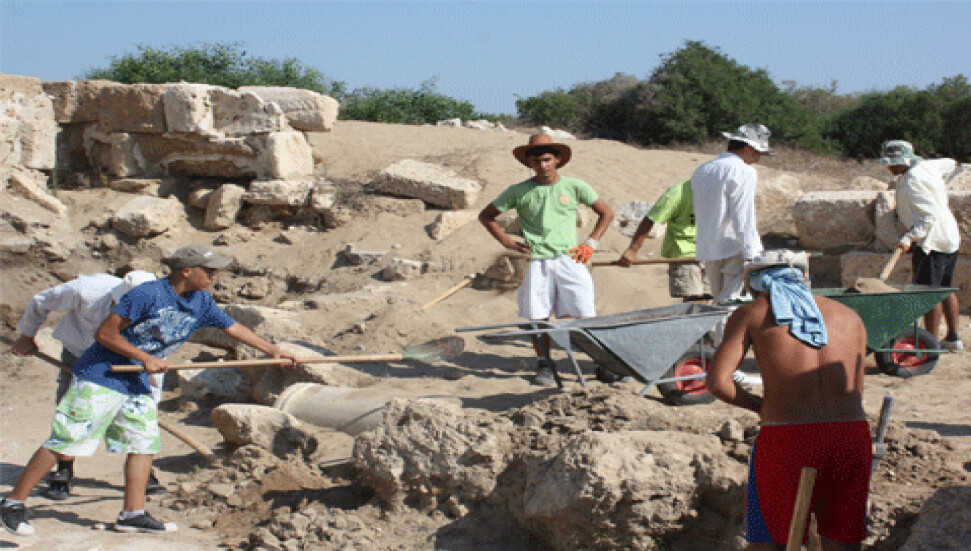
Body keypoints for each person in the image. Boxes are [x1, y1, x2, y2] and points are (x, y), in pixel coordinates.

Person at [1, 245, 298, 537]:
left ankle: (133, 513)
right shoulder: (146, 294)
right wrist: (145, 358)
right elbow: (104, 334)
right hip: (102, 375)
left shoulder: (201, 302)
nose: (213, 276)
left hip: (137, 381)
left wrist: (274, 350)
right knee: (68, 439)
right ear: (187, 270)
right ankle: (12, 502)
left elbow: (232, 328)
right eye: (208, 271)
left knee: (143, 443)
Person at [706, 250, 871, 551]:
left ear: (755, 285)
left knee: (770, 539)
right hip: (850, 435)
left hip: (788, 437)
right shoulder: (850, 316)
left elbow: (718, 383)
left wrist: (759, 406)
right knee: (844, 540)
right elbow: (856, 391)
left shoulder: (753, 312)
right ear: (806, 278)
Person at [12, 270, 164, 500]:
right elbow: (41, 301)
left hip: (128, 359)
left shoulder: (161, 311)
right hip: (80, 351)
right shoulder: (86, 289)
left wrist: (150, 399)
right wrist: (27, 335)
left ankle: (144, 475)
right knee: (72, 412)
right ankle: (63, 471)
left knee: (139, 417)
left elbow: (155, 358)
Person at [479, 133, 614, 385]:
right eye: (536, 160)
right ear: (529, 163)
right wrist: (506, 241)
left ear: (558, 160)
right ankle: (545, 365)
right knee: (537, 315)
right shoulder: (519, 191)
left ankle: (602, 364)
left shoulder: (575, 186)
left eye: (547, 159)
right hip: (535, 261)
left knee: (585, 312)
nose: (542, 165)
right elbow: (486, 216)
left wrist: (591, 243)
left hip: (570, 258)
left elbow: (606, 213)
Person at [878, 140, 963, 351]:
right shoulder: (927, 166)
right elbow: (950, 164)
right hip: (949, 236)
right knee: (945, 287)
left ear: (905, 160)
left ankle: (929, 344)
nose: (890, 168)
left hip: (931, 240)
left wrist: (909, 238)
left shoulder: (912, 181)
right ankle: (953, 338)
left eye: (893, 163)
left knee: (927, 293)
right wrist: (958, 164)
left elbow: (929, 217)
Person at [691, 123, 771, 344]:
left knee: (720, 304)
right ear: (748, 149)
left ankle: (717, 354)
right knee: (731, 307)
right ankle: (724, 360)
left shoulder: (704, 169)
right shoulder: (743, 171)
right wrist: (752, 253)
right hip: (734, 247)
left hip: (709, 246)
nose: (758, 158)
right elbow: (743, 215)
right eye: (758, 153)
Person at [617, 177, 710, 302]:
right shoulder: (679, 192)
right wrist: (633, 249)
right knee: (694, 301)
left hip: (711, 253)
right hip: (684, 251)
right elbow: (651, 219)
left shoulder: (722, 189)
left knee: (708, 302)